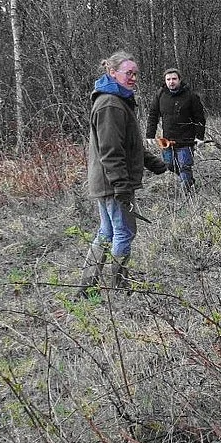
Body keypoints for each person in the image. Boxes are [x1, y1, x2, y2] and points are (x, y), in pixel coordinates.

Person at [78, 50, 168, 295]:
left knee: (107, 232)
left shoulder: (117, 100)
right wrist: (121, 186)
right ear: (112, 72)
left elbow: (129, 145)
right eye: (128, 73)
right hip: (111, 182)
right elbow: (111, 151)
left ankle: (87, 286)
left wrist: (155, 164)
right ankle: (119, 285)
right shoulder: (110, 104)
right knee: (124, 232)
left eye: (136, 74)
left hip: (107, 181)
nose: (133, 78)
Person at [145, 67, 206, 195]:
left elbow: (199, 118)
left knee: (184, 166)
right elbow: (153, 115)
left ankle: (187, 193)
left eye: (174, 79)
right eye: (168, 79)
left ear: (179, 80)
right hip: (167, 141)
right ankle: (189, 180)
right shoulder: (160, 95)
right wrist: (150, 134)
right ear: (165, 81)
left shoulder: (191, 96)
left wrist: (200, 136)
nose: (171, 82)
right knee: (169, 165)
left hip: (186, 141)